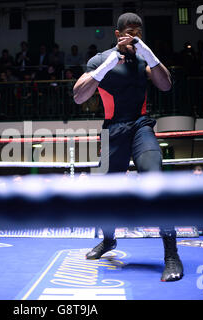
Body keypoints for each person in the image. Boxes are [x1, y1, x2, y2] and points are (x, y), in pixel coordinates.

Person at [73, 12, 183, 282]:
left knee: (155, 181)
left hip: (140, 126)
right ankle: (109, 241)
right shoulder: (100, 59)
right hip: (113, 130)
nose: (133, 37)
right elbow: (79, 95)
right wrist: (110, 61)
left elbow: (166, 85)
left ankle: (171, 255)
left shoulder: (144, 58)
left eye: (138, 32)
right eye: (129, 32)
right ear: (117, 33)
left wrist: (148, 52)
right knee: (106, 192)